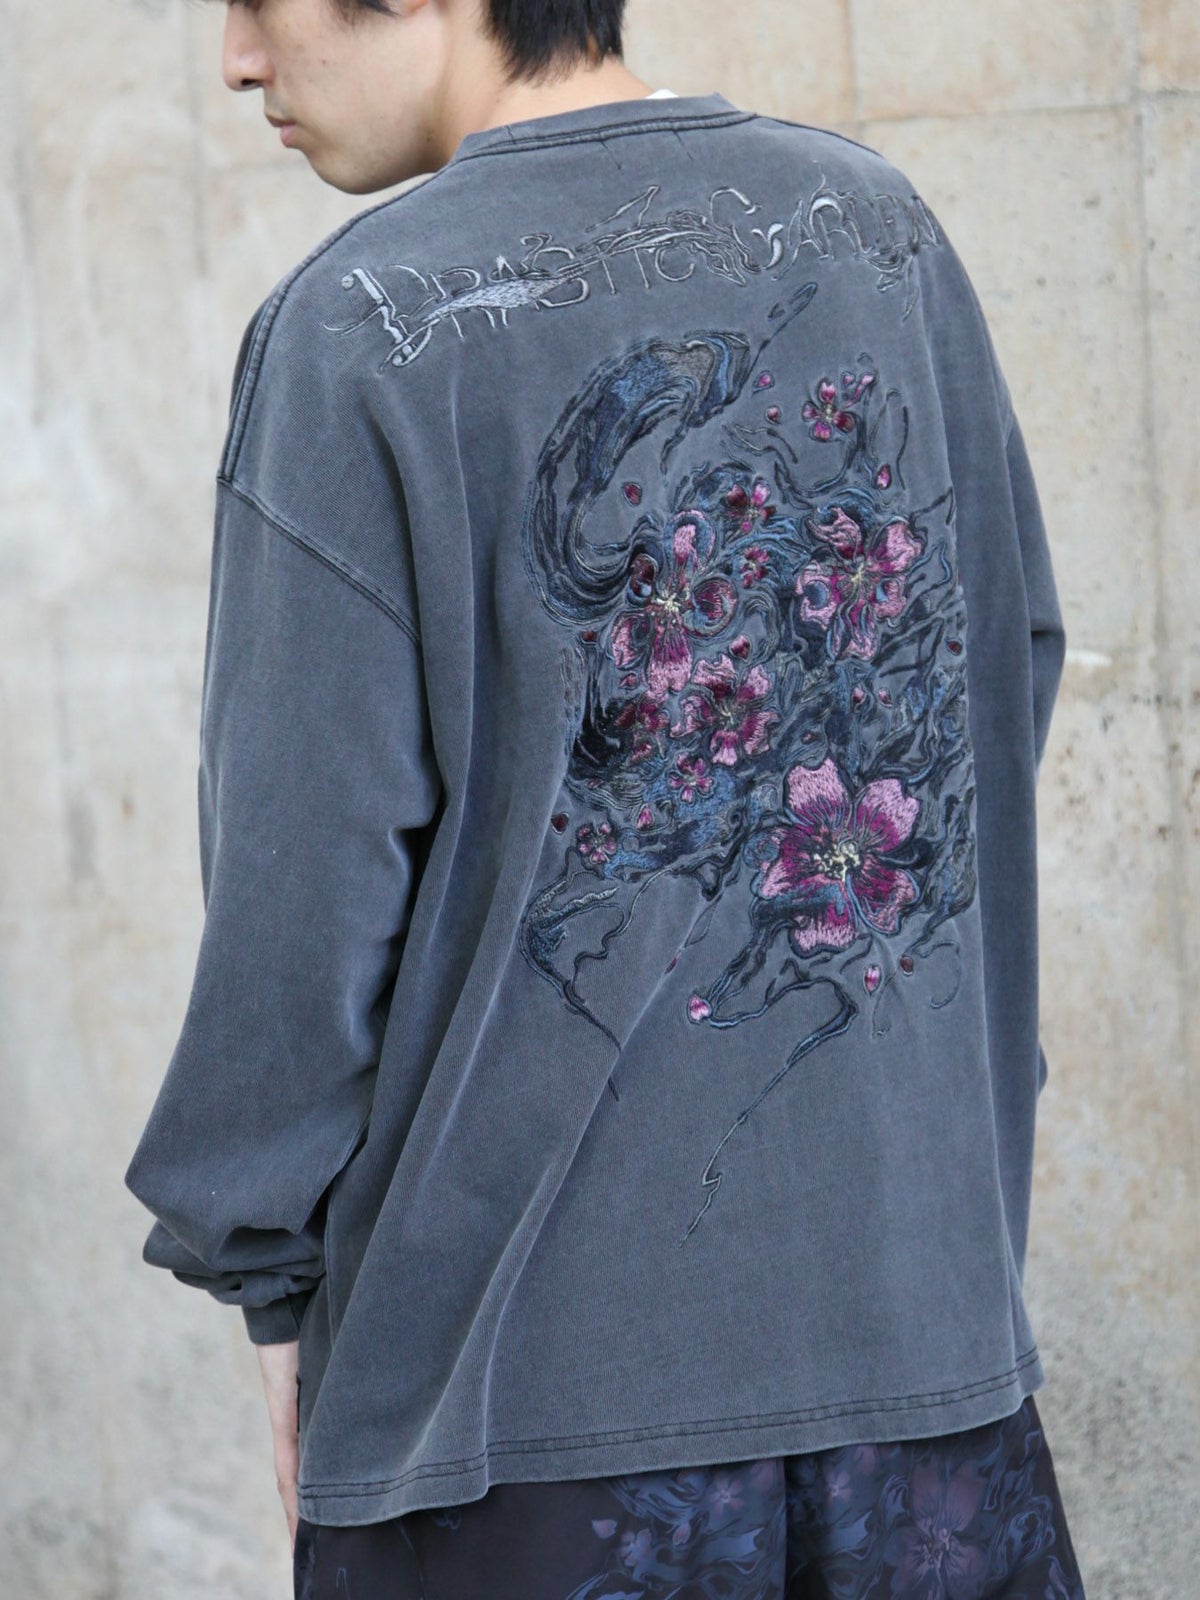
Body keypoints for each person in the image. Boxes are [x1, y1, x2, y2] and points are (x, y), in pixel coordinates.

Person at [123, 1, 1088, 1595]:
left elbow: (305, 882)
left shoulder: (362, 325)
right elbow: (1000, 670)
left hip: (518, 1407)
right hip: (920, 1359)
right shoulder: (880, 234)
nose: (236, 57)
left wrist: (265, 1274)